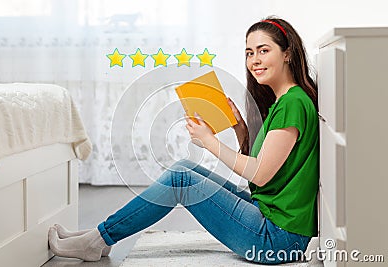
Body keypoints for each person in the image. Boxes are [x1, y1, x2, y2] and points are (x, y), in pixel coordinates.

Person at [48, 16, 319, 264]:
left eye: (264, 50)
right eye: (249, 53)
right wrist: (239, 127)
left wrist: (209, 142)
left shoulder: (292, 104)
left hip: (277, 239)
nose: (254, 60)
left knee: (181, 179)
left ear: (287, 53)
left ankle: (97, 240)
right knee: (185, 169)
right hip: (272, 221)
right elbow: (268, 170)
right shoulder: (283, 101)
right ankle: (101, 235)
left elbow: (259, 175)